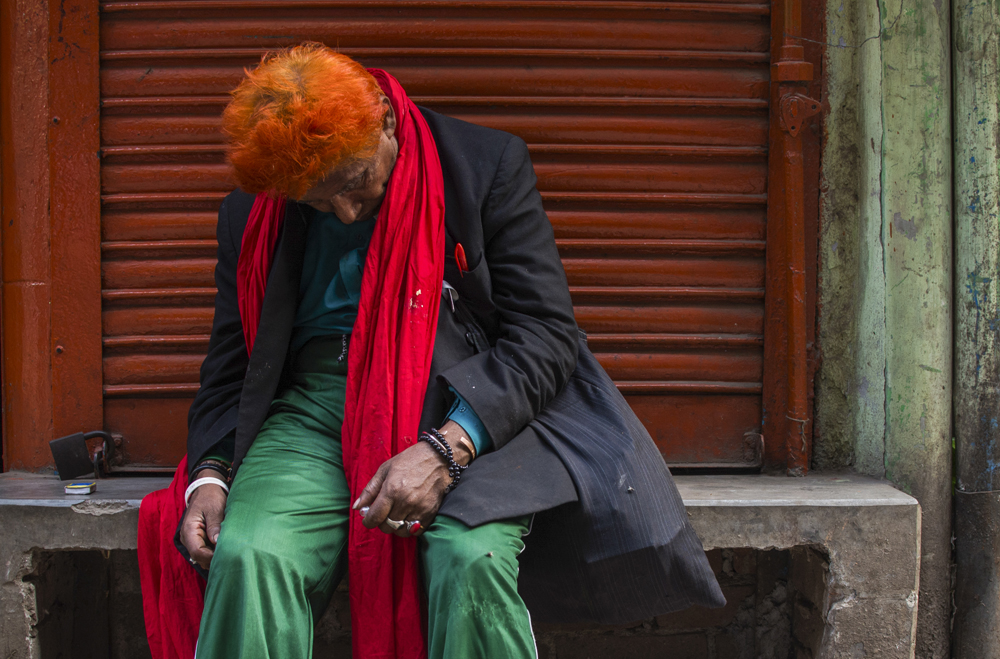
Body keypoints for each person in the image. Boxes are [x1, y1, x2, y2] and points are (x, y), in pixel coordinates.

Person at [150, 43, 723, 659]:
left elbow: (546, 334)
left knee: (468, 558)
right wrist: (208, 477)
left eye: (354, 182)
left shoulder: (483, 167)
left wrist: (446, 448)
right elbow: (233, 363)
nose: (344, 211)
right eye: (319, 202)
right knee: (250, 554)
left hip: (460, 400)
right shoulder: (253, 210)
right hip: (314, 408)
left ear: (389, 124)